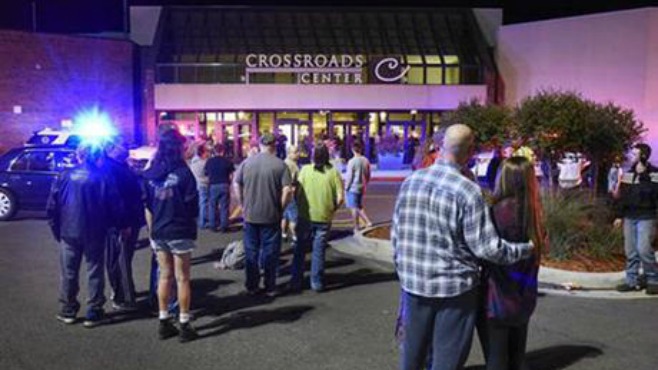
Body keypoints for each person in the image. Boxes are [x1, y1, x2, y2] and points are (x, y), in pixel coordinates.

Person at [392, 124, 534, 370]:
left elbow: (397, 236)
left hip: (414, 285)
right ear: (469, 151)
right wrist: (525, 249)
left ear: (442, 146)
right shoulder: (468, 191)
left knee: (413, 356)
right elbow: (487, 248)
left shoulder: (411, 181)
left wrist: (404, 270)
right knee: (447, 359)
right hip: (454, 291)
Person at [47, 143, 125, 327]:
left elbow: (52, 206)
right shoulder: (103, 177)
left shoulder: (65, 175)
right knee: (95, 271)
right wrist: (119, 225)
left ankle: (68, 309)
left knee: (69, 272)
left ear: (79, 156)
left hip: (69, 230)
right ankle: (94, 310)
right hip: (95, 230)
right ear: (98, 157)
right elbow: (114, 205)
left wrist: (57, 229)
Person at [479, 156, 545, 370]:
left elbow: (487, 251)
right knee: (517, 354)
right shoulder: (535, 212)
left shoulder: (496, 210)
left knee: (496, 355)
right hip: (524, 292)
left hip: (496, 294)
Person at [143, 129, 199, 342]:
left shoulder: (150, 174)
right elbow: (192, 206)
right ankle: (184, 324)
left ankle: (164, 320)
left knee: (164, 276)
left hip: (158, 230)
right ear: (178, 148)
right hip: (179, 229)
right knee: (182, 277)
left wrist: (151, 233)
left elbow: (147, 206)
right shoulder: (184, 173)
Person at [236, 132, 293, 296]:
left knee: (251, 251)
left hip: (251, 215)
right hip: (271, 215)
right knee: (270, 252)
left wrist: (242, 204)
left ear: (260, 145)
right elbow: (287, 190)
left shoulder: (247, 163)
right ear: (274, 145)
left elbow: (236, 184)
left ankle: (252, 285)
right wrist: (281, 208)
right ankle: (270, 286)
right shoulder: (280, 165)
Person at [289, 141, 344, 293]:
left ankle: (296, 281)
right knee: (318, 251)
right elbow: (340, 198)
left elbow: (297, 191)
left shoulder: (305, 170)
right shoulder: (333, 172)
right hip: (324, 217)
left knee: (300, 249)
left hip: (305, 215)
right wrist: (332, 210)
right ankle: (316, 282)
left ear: (313, 156)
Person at [104, 137, 146, 311]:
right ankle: (122, 297)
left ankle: (122, 292)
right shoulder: (111, 170)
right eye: (124, 146)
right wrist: (123, 224)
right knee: (119, 261)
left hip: (129, 220)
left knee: (124, 259)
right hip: (121, 223)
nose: (127, 149)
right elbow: (115, 200)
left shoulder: (120, 166)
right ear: (112, 148)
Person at [613, 143, 658, 295]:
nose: (631, 156)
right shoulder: (628, 174)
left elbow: (655, 194)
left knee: (644, 249)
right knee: (631, 251)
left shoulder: (654, 174)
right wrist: (619, 215)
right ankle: (631, 281)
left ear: (643, 155)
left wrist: (644, 178)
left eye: (634, 154)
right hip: (630, 217)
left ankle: (652, 279)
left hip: (647, 217)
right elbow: (623, 197)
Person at [205, 144, 235, 232]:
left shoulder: (209, 161)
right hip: (224, 184)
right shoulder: (227, 161)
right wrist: (230, 183)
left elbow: (206, 175)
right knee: (224, 206)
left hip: (213, 185)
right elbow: (231, 175)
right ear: (222, 151)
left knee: (212, 206)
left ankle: (213, 225)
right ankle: (224, 226)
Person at [345, 140, 373, 232]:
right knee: (359, 205)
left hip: (353, 187)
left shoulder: (351, 162)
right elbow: (368, 174)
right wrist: (366, 183)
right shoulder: (366, 160)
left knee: (354, 207)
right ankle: (367, 222)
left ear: (353, 149)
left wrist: (346, 187)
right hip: (362, 186)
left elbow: (350, 176)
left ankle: (357, 226)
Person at [189, 143, 210, 229]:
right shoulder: (203, 163)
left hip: (196, 184)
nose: (208, 153)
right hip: (203, 185)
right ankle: (203, 222)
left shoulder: (193, 162)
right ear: (203, 153)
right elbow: (207, 175)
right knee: (204, 203)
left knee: (200, 203)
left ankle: (201, 220)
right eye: (206, 152)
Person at [282, 145, 300, 242]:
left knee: (284, 216)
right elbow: (293, 182)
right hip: (291, 194)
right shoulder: (292, 165)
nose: (298, 154)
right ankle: (295, 237)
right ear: (289, 153)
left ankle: (284, 234)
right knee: (294, 218)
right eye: (295, 152)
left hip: (284, 194)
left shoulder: (284, 162)